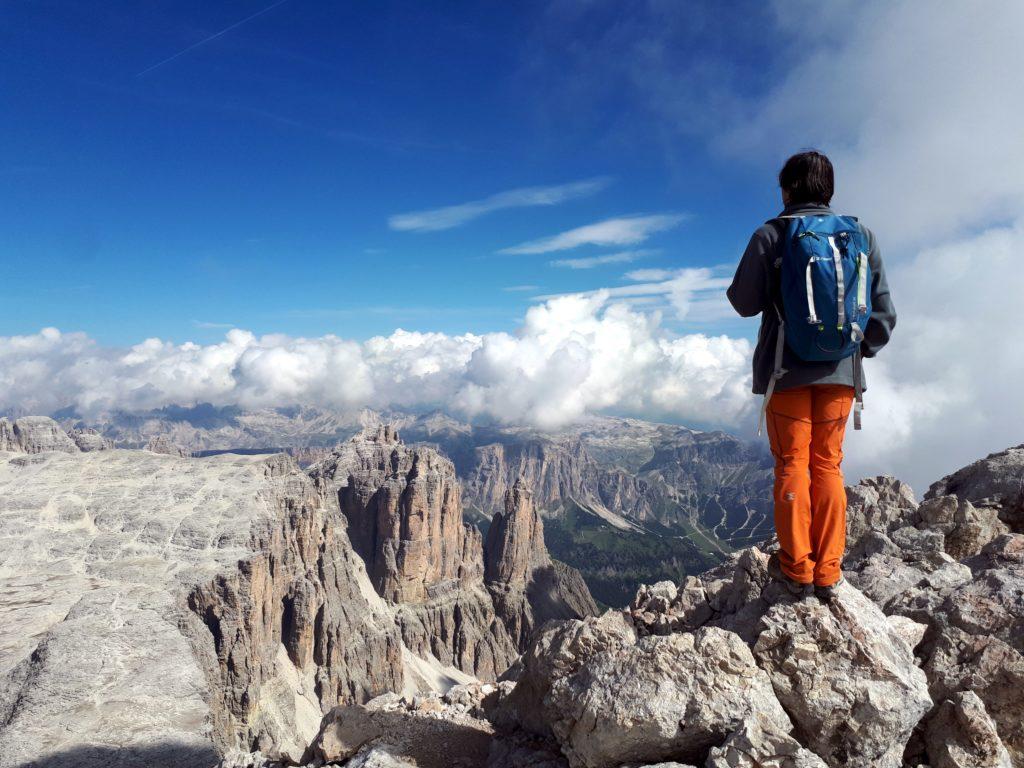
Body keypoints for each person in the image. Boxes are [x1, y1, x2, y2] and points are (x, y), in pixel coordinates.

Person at [727, 150, 896, 602]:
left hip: (786, 372)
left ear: (786, 190)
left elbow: (743, 302)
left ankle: (798, 569)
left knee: (791, 467)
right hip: (842, 376)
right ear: (830, 190)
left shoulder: (773, 234)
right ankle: (829, 569)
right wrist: (855, 354)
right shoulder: (860, 235)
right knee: (828, 466)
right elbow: (882, 313)